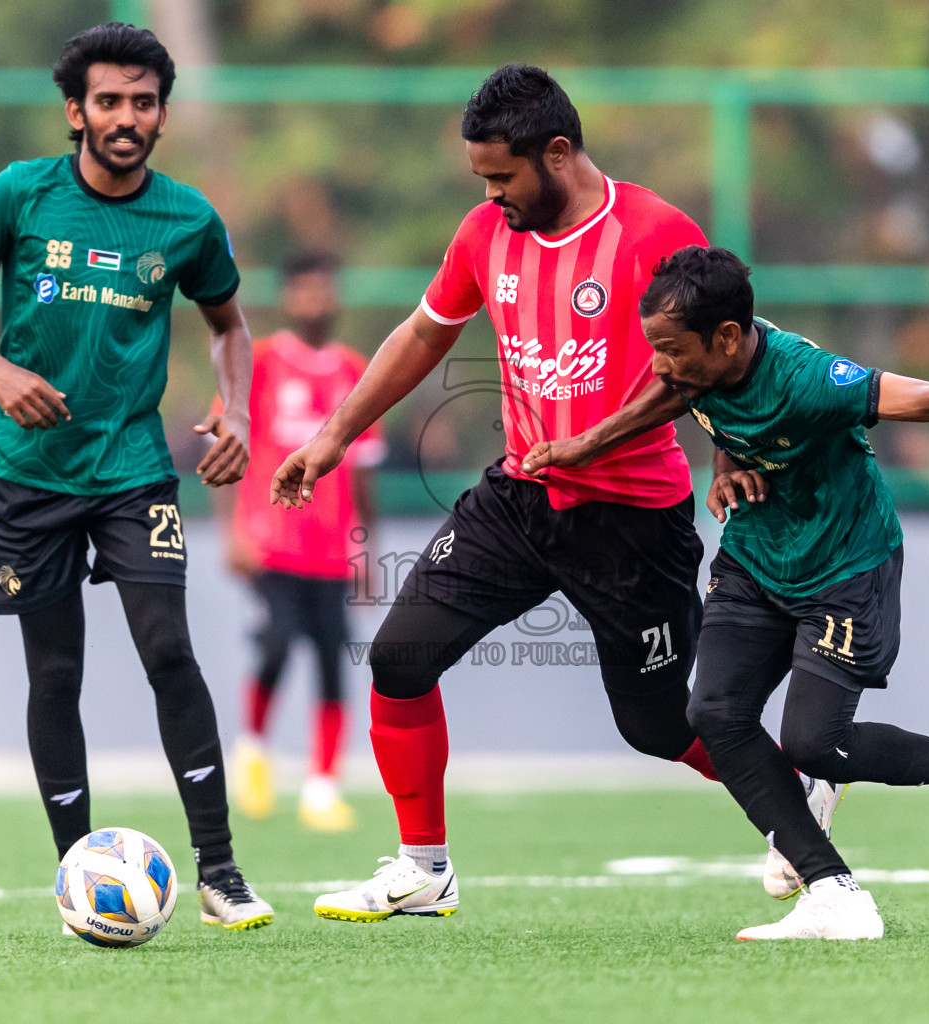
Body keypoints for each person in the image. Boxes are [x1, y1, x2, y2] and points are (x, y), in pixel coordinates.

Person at [522, 245, 929, 940]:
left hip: (846, 568)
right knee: (713, 712)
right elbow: (692, 398)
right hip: (756, 558)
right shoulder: (697, 366)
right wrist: (656, 453)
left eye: (671, 349)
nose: (660, 365)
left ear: (728, 338)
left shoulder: (812, 378)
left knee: (813, 741)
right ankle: (834, 892)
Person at [271, 63, 729, 924]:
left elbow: (714, 365)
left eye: (502, 177)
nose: (491, 196)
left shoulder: (657, 232)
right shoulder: (485, 234)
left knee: (660, 728)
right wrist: (333, 436)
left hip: (635, 520)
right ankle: (423, 867)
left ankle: (792, 791)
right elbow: (422, 334)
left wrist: (733, 455)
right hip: (520, 498)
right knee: (400, 660)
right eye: (481, 179)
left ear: (557, 154)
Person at [0, 22, 272, 935]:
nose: (126, 117)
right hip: (26, 476)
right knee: (56, 672)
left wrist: (235, 411)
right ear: (76, 110)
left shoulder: (188, 219)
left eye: (143, 103)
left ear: (161, 115)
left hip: (133, 469)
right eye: (108, 101)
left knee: (169, 653)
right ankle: (76, 870)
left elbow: (230, 328)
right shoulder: (19, 195)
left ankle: (221, 872)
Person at [219, 251, 383, 832]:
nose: (319, 300)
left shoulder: (357, 372)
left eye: (327, 289)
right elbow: (228, 449)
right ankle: (255, 750)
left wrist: (366, 550)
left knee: (334, 660)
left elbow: (363, 473)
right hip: (273, 542)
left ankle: (322, 787)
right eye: (307, 290)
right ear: (288, 297)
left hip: (334, 550)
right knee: (278, 644)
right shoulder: (263, 363)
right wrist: (232, 530)